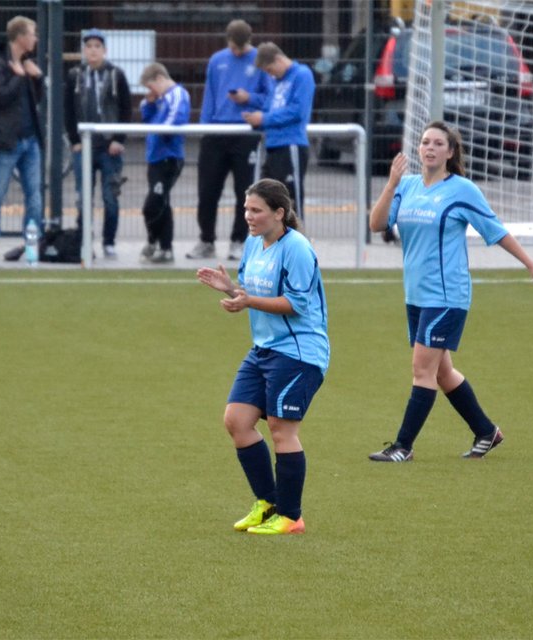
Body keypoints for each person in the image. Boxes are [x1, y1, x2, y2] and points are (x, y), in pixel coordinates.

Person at [367, 121, 533, 463]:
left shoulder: (462, 190)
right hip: (417, 294)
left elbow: (495, 231)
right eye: (425, 142)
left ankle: (403, 447)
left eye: (438, 143)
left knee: (422, 370)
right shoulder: (406, 186)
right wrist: (391, 183)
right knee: (442, 372)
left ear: (450, 152)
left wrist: (532, 265)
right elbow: (376, 224)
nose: (430, 148)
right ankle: (486, 431)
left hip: (447, 295)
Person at [196, 178, 329, 535]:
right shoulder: (255, 245)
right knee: (236, 421)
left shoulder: (297, 248)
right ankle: (269, 504)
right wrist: (231, 290)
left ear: (279, 213)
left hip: (300, 352)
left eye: (256, 210)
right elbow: (252, 291)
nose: (248, 216)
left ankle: (291, 517)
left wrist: (248, 301)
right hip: (265, 349)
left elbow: (296, 304)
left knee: (281, 429)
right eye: (246, 209)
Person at [186, 19, 273, 261]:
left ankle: (238, 240)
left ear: (250, 41)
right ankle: (206, 240)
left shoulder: (259, 61)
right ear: (227, 41)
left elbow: (269, 99)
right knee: (207, 190)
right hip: (216, 132)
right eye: (234, 47)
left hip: (246, 134)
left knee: (245, 192)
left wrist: (249, 98)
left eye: (241, 48)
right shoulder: (217, 60)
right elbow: (210, 96)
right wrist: (205, 128)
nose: (237, 52)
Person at [0, 15, 44, 257]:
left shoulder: (26, 62)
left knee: (35, 196)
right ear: (21, 37)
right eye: (33, 33)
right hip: (6, 141)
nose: (36, 38)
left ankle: (32, 243)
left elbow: (36, 99)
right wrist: (19, 77)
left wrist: (37, 78)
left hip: (30, 140)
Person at [64, 28, 131, 260]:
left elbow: (125, 109)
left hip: (109, 146)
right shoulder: (75, 75)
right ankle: (85, 242)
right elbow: (68, 111)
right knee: (83, 198)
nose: (92, 50)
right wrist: (74, 140)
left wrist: (118, 139)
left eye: (97, 46)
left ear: (104, 50)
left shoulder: (116, 75)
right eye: (88, 46)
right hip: (84, 145)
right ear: (83, 50)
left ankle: (109, 241)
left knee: (110, 197)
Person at [241, 42, 314, 220]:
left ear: (279, 59)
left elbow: (298, 111)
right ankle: (272, 244)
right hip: (272, 147)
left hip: (291, 145)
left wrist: (264, 119)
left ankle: (297, 245)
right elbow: (267, 108)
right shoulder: (276, 82)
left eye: (269, 69)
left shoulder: (302, 75)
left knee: (290, 202)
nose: (269, 74)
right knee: (266, 200)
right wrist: (257, 118)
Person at [138, 62, 190, 264]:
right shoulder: (160, 99)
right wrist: (148, 103)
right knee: (161, 202)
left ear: (159, 78)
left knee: (153, 203)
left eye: (150, 86)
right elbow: (148, 121)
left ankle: (156, 242)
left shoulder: (177, 95)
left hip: (169, 157)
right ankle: (163, 246)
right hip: (155, 158)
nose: (150, 91)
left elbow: (173, 121)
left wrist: (159, 130)